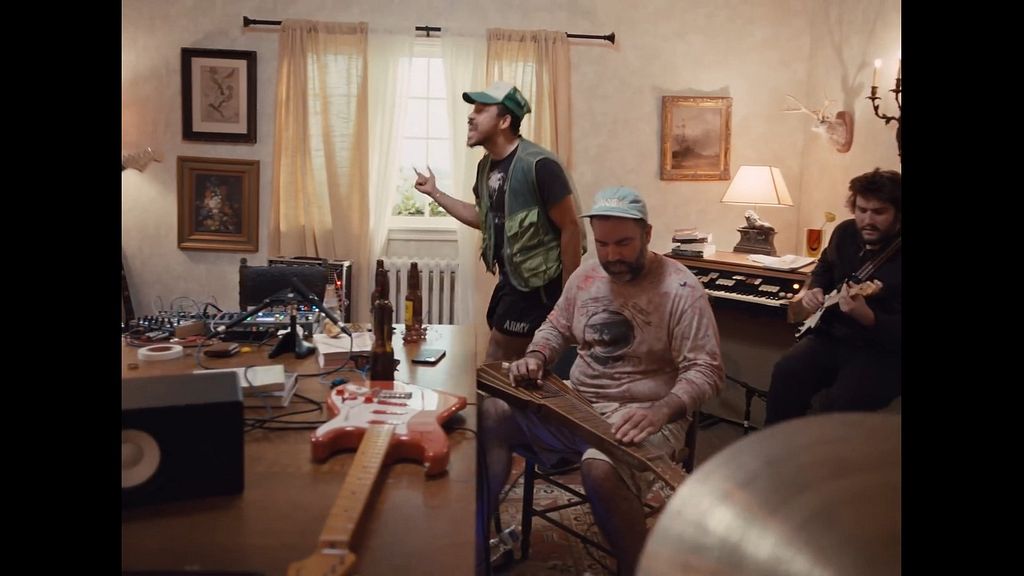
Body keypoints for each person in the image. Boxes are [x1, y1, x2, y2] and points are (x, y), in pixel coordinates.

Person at [480, 186, 724, 575]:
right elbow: (555, 327)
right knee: (492, 412)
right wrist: (536, 356)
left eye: (624, 243)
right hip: (576, 406)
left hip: (645, 415)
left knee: (600, 467)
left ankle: (635, 567)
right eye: (602, 244)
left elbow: (707, 370)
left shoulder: (681, 289)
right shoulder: (586, 276)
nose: (611, 256)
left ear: (647, 234)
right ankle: (475, 545)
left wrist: (661, 410)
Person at [413, 81, 584, 361]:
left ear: (504, 121)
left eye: (481, 110)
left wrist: (567, 299)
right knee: (513, 363)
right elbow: (484, 219)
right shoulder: (486, 167)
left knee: (498, 357)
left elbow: (571, 227)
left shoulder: (539, 165)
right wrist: (435, 193)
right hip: (511, 282)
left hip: (539, 288)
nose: (471, 116)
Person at [765, 168, 902, 425]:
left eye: (879, 212)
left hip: (883, 351)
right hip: (832, 336)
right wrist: (815, 288)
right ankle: (777, 446)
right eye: (862, 210)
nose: (867, 220)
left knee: (841, 404)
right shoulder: (845, 232)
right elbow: (825, 265)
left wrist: (870, 318)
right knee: (786, 372)